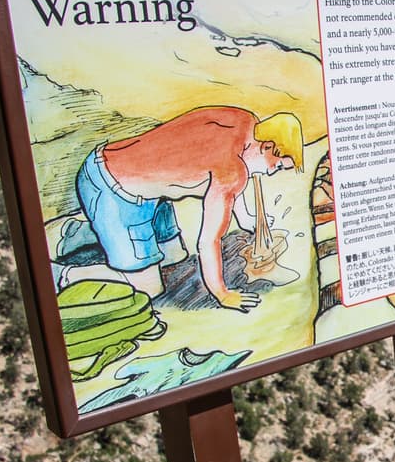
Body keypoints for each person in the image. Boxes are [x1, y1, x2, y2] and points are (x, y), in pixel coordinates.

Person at [68, 106, 304, 312]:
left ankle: (87, 231)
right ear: (268, 146)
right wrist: (222, 293)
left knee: (174, 257)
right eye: (279, 165)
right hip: (113, 191)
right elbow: (208, 241)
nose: (273, 171)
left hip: (148, 194)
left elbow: (234, 179)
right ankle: (68, 274)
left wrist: (246, 220)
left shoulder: (245, 122)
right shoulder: (231, 171)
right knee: (148, 289)